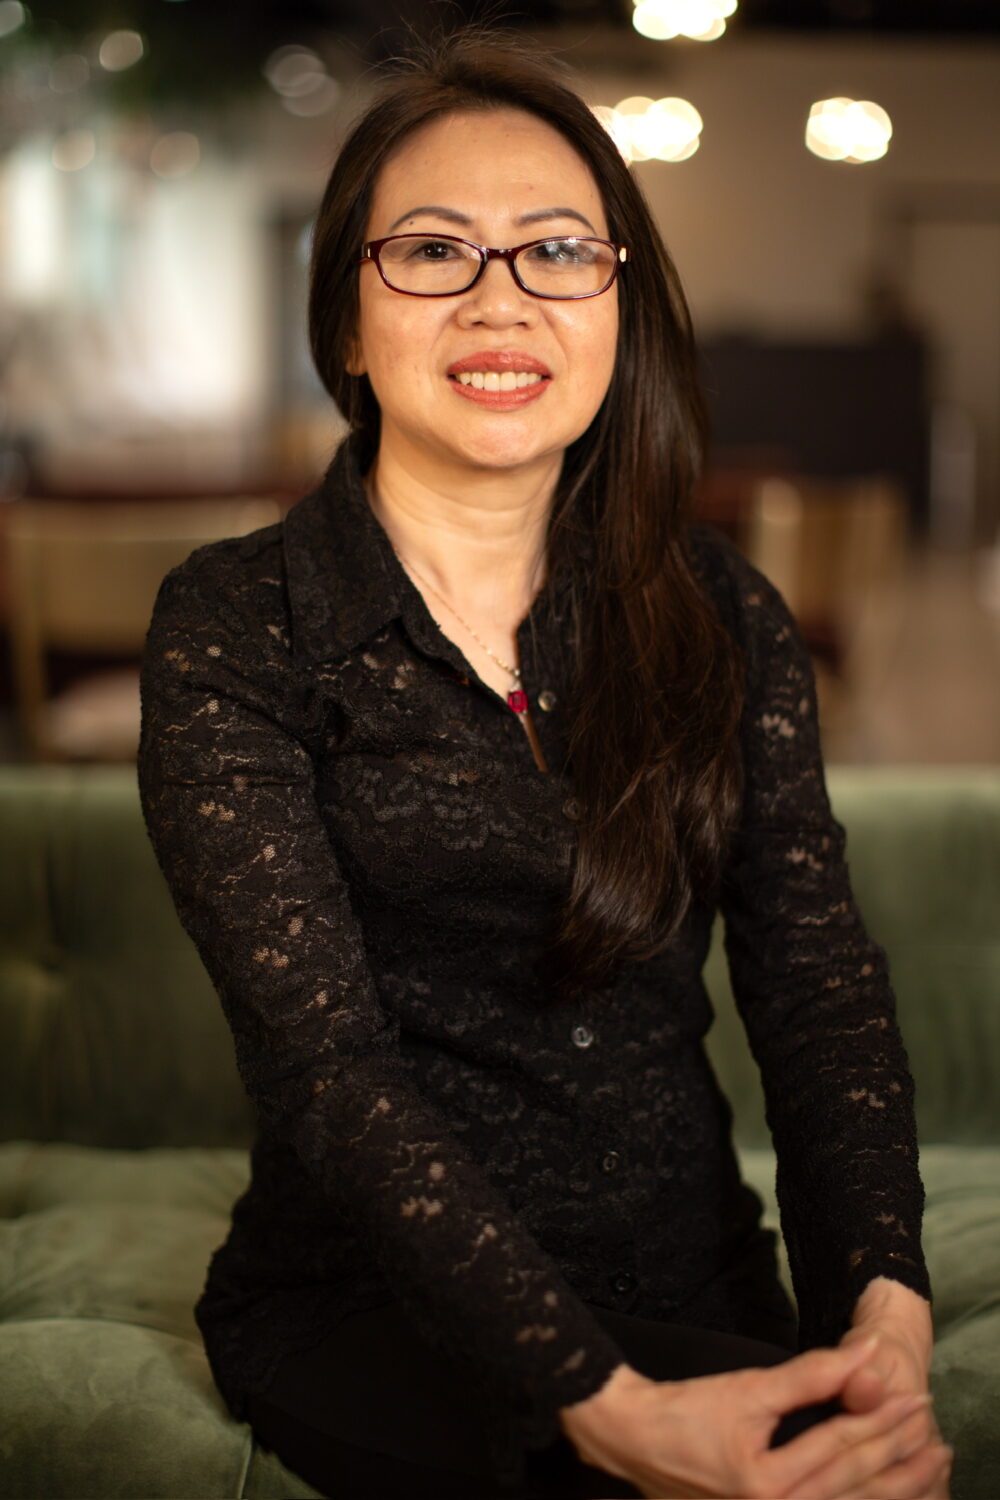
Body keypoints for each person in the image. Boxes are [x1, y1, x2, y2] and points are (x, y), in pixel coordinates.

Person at [137, 31, 951, 1500]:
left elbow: (817, 986)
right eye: (434, 252)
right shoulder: (234, 624)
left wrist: (884, 1311)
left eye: (558, 251)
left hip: (696, 1278)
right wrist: (612, 1407)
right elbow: (329, 1073)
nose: (500, 298)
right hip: (379, 1315)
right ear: (344, 323)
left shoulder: (720, 614)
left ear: (620, 308)